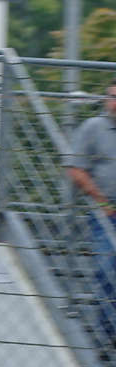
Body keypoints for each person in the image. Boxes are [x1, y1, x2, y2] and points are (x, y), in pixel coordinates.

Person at [62, 80, 116, 346]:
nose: (113, 103)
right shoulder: (94, 127)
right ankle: (107, 336)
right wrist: (102, 202)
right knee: (106, 269)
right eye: (111, 96)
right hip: (106, 210)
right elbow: (75, 168)